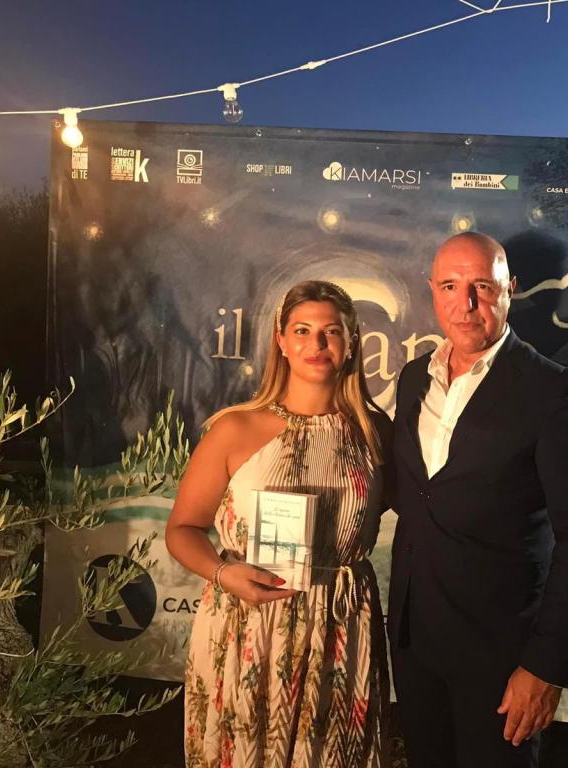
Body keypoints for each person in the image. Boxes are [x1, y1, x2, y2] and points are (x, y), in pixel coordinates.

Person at [388, 232, 568, 768]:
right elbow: (413, 495)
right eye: (450, 286)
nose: (465, 304)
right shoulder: (414, 378)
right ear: (432, 290)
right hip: (415, 645)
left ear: (511, 290)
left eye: (482, 287)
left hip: (502, 658)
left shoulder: (554, 392)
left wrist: (546, 667)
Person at [167, 280, 392, 768]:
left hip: (341, 628)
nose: (317, 344)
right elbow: (182, 529)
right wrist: (224, 573)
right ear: (281, 340)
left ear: (352, 341)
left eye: (332, 331)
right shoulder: (234, 428)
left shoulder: (377, 435)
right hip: (248, 626)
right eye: (303, 330)